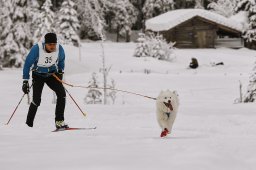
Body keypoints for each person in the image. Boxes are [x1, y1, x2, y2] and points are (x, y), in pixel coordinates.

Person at [22, 32, 68, 129]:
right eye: (50, 44)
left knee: (62, 94)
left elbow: (61, 61)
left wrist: (60, 72)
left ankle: (59, 122)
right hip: (38, 75)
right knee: (36, 100)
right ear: (45, 43)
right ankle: (28, 124)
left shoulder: (59, 49)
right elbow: (27, 65)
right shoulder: (37, 49)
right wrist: (25, 81)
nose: (52, 46)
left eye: (54, 44)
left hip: (51, 74)